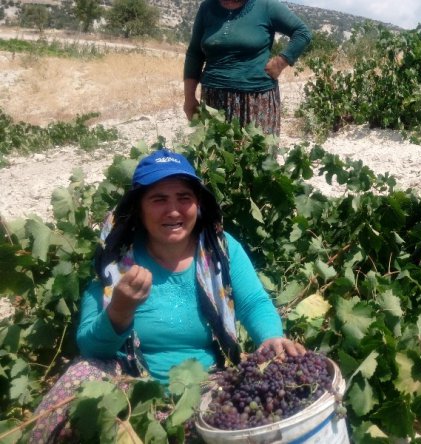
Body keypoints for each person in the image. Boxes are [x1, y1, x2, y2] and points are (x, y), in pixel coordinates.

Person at [30, 149, 304, 441]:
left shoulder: (219, 249)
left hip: (206, 385)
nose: (173, 210)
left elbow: (253, 303)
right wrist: (119, 311)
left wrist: (271, 336)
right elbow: (90, 346)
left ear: (198, 204)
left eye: (184, 198)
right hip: (127, 386)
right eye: (159, 199)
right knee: (79, 376)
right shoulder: (117, 259)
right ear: (139, 209)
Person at [183, 0, 312, 136]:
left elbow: (302, 33)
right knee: (216, 153)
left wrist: (280, 62)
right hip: (214, 100)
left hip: (256, 100)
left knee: (257, 153)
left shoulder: (266, 6)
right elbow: (194, 53)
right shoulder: (207, 7)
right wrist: (189, 97)